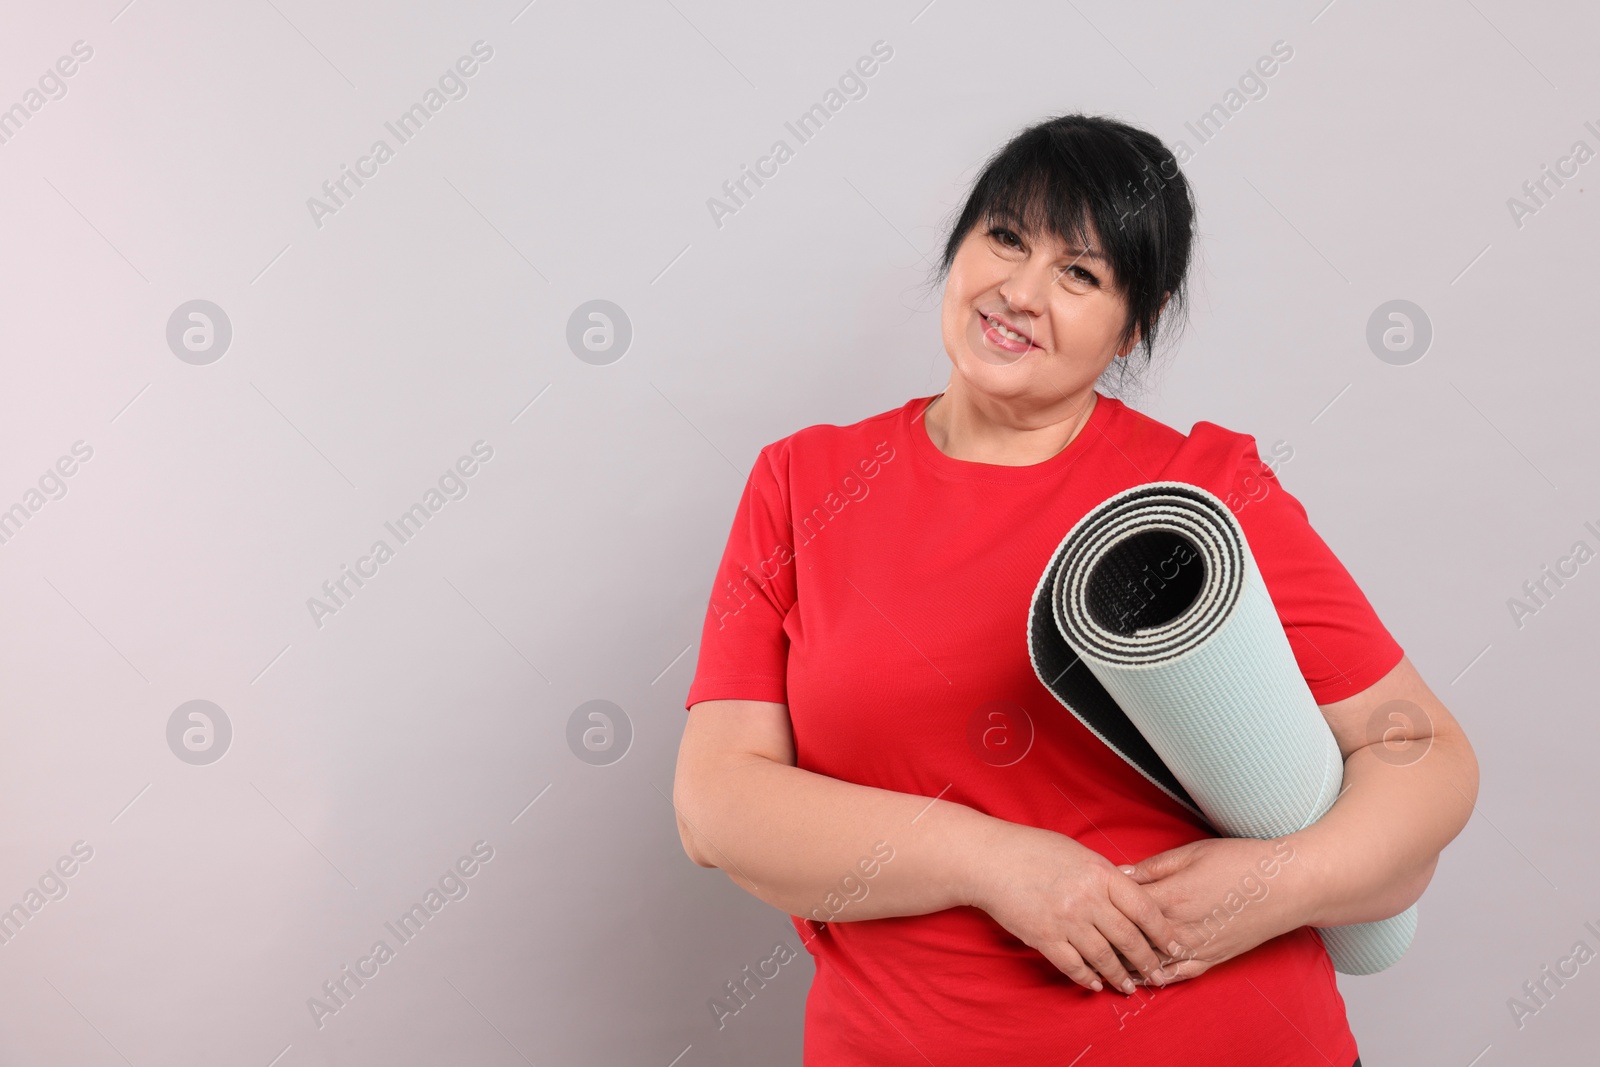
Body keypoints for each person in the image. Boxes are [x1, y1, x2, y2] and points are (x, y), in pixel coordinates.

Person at [672, 112, 1477, 1065]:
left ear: (1135, 321)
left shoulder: (1201, 495)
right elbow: (714, 805)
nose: (1019, 291)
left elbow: (1422, 752)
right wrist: (994, 861)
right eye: (1005, 237)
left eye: (1080, 273)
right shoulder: (803, 483)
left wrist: (1276, 885)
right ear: (959, 244)